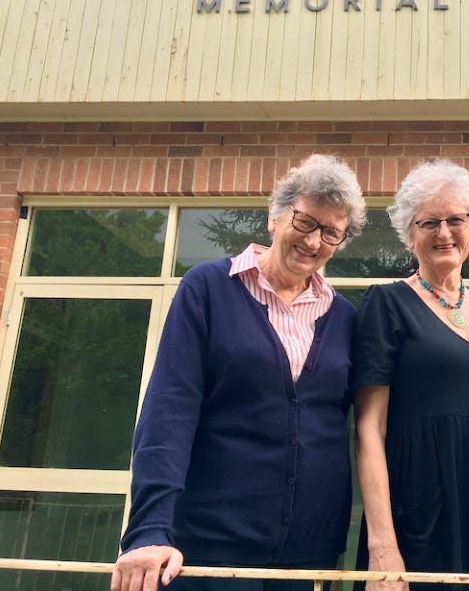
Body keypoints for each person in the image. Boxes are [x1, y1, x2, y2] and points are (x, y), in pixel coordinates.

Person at [111, 154, 367, 591]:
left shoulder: (343, 316)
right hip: (210, 547)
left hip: (309, 555)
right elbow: (169, 412)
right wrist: (150, 528)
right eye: (305, 222)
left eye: (331, 232)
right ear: (275, 216)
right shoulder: (208, 288)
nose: (314, 241)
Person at [351, 158, 469, 591]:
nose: (444, 233)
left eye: (456, 219)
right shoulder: (386, 306)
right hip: (424, 521)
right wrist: (383, 548)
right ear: (409, 234)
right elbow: (369, 429)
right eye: (429, 222)